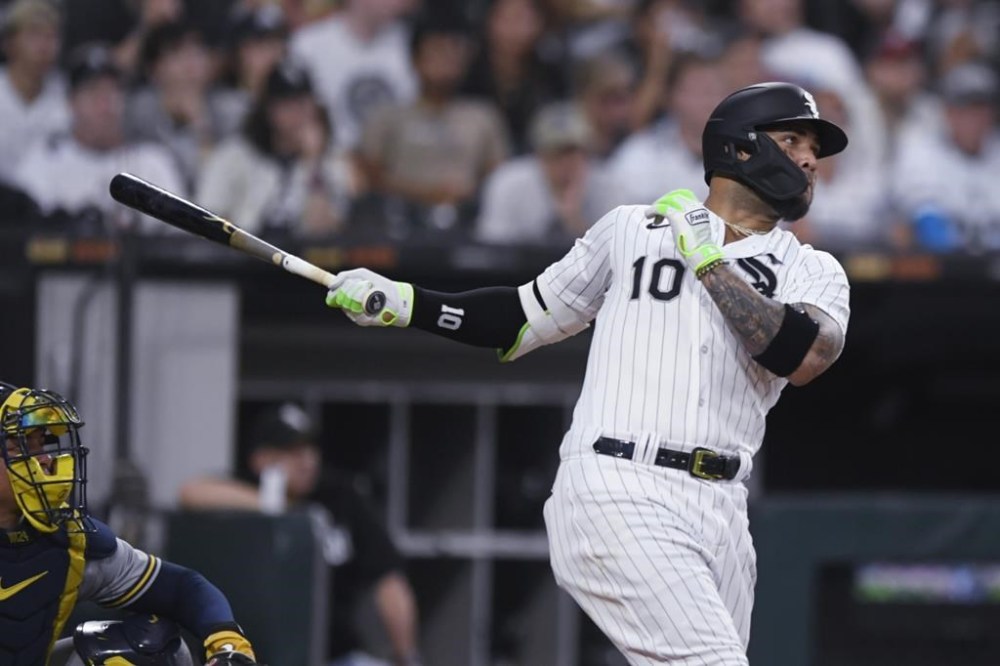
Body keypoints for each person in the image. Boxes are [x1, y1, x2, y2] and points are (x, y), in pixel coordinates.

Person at [325, 80, 851, 664]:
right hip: (619, 483)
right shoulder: (632, 228)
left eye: (814, 148)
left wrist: (707, 260)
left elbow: (800, 355)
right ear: (741, 148)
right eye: (793, 139)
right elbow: (523, 317)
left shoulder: (813, 269)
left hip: (723, 508)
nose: (809, 159)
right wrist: (408, 302)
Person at [0, 381, 258, 665]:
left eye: (41, 444)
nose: (45, 459)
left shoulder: (68, 541)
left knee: (147, 645)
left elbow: (182, 588)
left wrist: (228, 644)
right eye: (18, 446)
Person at [178, 402, 422, 666]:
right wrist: (274, 506)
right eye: (292, 452)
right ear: (261, 459)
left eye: (310, 449)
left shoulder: (339, 495)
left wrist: (406, 655)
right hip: (252, 652)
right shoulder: (245, 494)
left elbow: (389, 581)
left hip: (334, 653)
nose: (308, 461)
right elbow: (191, 492)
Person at [13, 42, 184, 230]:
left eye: (112, 91)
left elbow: (177, 240)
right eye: (93, 91)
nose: (105, 104)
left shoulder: (152, 162)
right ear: (71, 103)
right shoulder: (44, 161)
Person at [475, 100, 632, 244]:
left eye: (572, 152)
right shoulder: (509, 182)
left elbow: (619, 257)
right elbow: (493, 250)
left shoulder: (608, 187)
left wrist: (574, 221)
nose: (565, 163)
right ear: (539, 155)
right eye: (556, 153)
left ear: (587, 154)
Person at [0, 0, 69, 186]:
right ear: (9, 43)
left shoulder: (67, 97)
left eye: (51, 36)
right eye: (34, 35)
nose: (44, 46)